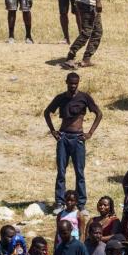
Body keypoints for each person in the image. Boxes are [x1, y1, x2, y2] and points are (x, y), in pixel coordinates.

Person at [44, 73, 103, 211]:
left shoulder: (84, 97)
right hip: (63, 137)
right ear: (66, 82)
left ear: (78, 83)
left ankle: (81, 204)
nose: (73, 85)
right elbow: (47, 112)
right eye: (70, 83)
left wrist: (90, 133)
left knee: (80, 173)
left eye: (75, 83)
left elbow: (99, 114)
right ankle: (59, 202)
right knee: (61, 172)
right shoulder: (61, 98)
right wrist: (53, 131)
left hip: (78, 139)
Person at [64, 0, 104, 69]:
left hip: (87, 3)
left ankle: (86, 59)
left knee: (97, 32)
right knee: (87, 32)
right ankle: (70, 56)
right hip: (88, 4)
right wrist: (98, 0)